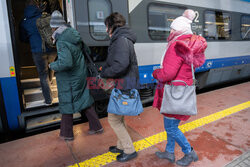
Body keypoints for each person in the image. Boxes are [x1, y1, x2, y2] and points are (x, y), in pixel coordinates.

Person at [152, 9, 207, 166]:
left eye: (173, 29)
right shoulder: (188, 44)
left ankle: (189, 153)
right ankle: (169, 152)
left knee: (170, 127)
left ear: (180, 30)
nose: (170, 31)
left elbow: (167, 73)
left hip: (174, 93)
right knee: (171, 124)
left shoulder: (176, 45)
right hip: (181, 90)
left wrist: (156, 73)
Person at [49, 10, 103, 140]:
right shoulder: (73, 34)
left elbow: (66, 62)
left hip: (70, 78)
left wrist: (52, 65)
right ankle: (96, 127)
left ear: (54, 26)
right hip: (80, 74)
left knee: (68, 103)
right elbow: (87, 51)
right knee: (83, 100)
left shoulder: (61, 40)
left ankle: (66, 134)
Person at [100, 12, 140, 162]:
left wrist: (105, 72)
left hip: (124, 83)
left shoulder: (121, 40)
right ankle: (121, 145)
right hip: (124, 82)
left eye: (106, 26)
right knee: (119, 116)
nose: (105, 30)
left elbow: (121, 65)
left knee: (114, 119)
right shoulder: (123, 38)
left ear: (111, 26)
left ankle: (129, 150)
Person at [20, 0, 53, 105]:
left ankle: (48, 100)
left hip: (38, 51)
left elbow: (23, 38)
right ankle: (50, 83)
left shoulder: (24, 21)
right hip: (52, 49)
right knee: (51, 66)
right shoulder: (45, 16)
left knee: (43, 74)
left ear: (26, 8)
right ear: (37, 6)